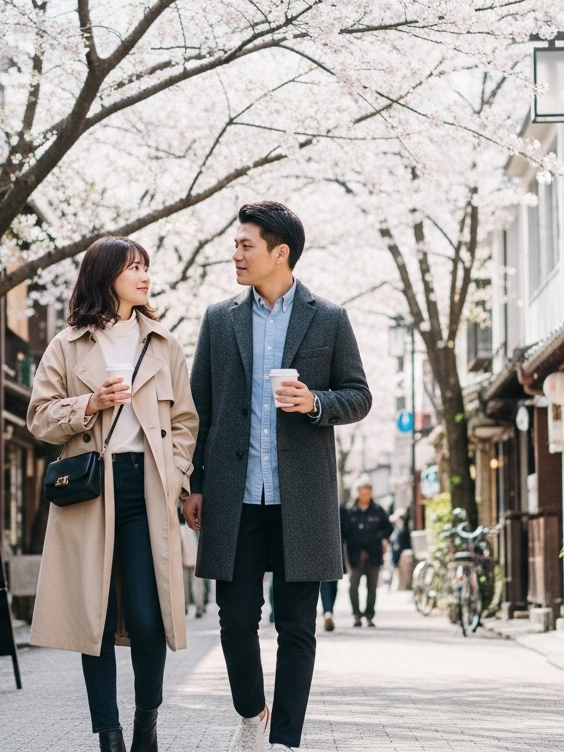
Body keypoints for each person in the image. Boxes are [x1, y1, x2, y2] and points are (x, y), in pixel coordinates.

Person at [184, 201, 371, 752]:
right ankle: (251, 713)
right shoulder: (219, 319)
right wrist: (195, 484)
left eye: (246, 245)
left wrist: (315, 402)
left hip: (302, 499)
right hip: (233, 497)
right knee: (235, 621)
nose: (236, 254)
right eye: (236, 245)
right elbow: (199, 410)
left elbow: (359, 395)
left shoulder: (328, 317)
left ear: (280, 252)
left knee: (297, 626)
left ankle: (286, 741)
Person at [27, 236, 199, 752]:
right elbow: (39, 418)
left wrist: (175, 475)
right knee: (94, 619)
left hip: (147, 488)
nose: (145, 276)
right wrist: (89, 403)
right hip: (90, 490)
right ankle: (109, 734)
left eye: (146, 266)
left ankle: (147, 720)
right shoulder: (67, 345)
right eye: (133, 267)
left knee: (148, 617)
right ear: (105, 277)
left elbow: (186, 421)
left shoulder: (164, 345)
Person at [341, 478, 390, 627]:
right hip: (355, 554)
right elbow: (344, 531)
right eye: (362, 493)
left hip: (374, 554)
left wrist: (382, 538)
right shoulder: (350, 511)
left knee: (372, 587)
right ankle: (356, 615)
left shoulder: (378, 510)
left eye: (367, 493)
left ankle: (369, 615)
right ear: (357, 493)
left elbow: (388, 527)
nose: (365, 496)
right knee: (353, 585)